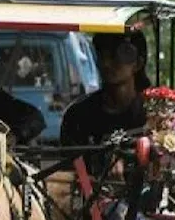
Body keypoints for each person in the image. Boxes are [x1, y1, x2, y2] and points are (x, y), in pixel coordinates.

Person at [60, 28, 152, 174]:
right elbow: (72, 168)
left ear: (138, 63)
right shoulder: (78, 115)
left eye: (119, 55)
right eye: (102, 55)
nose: (107, 63)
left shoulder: (153, 114)